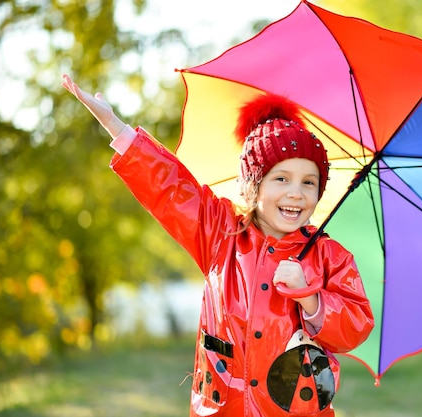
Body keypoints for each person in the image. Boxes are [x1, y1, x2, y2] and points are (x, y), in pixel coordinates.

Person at [61, 74, 374, 416]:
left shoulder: (330, 255)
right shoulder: (220, 232)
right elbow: (171, 189)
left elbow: (356, 323)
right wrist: (115, 127)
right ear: (253, 186)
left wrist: (311, 297)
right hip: (223, 406)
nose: (296, 193)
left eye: (309, 182)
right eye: (281, 179)